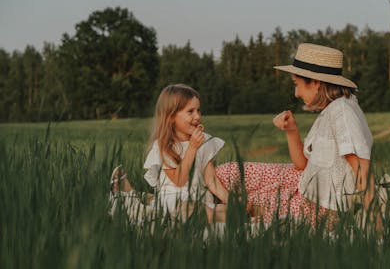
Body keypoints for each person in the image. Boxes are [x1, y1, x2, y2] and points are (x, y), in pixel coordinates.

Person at [215, 43, 375, 226]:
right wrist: (292, 130)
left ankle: (230, 211)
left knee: (255, 214)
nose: (296, 93)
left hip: (320, 205)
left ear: (316, 83)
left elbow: (362, 168)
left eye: (297, 84)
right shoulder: (333, 109)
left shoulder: (342, 112)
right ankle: (237, 206)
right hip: (306, 185)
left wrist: (375, 222)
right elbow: (302, 164)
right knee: (227, 173)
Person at [109, 84, 229, 223]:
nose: (197, 116)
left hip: (200, 199)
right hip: (175, 200)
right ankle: (136, 205)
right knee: (188, 209)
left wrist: (231, 201)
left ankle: (138, 202)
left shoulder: (204, 141)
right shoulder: (165, 146)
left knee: (217, 208)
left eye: (198, 110)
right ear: (171, 116)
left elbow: (211, 180)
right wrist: (192, 148)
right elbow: (179, 180)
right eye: (190, 111)